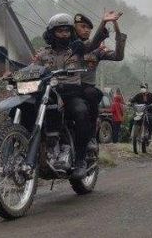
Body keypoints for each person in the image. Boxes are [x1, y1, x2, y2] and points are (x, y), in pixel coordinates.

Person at [32, 13, 101, 179]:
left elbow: (93, 43)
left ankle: (80, 160)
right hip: (49, 93)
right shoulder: (42, 54)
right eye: (59, 31)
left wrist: (104, 22)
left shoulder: (77, 49)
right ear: (51, 33)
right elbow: (31, 69)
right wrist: (13, 74)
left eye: (67, 31)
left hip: (71, 93)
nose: (64, 34)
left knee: (81, 111)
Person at [74, 11, 126, 143]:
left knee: (93, 98)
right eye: (82, 26)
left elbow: (118, 56)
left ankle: (91, 138)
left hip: (86, 90)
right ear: (74, 27)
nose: (86, 30)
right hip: (66, 87)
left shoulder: (96, 50)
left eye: (89, 28)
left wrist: (116, 28)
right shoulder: (66, 46)